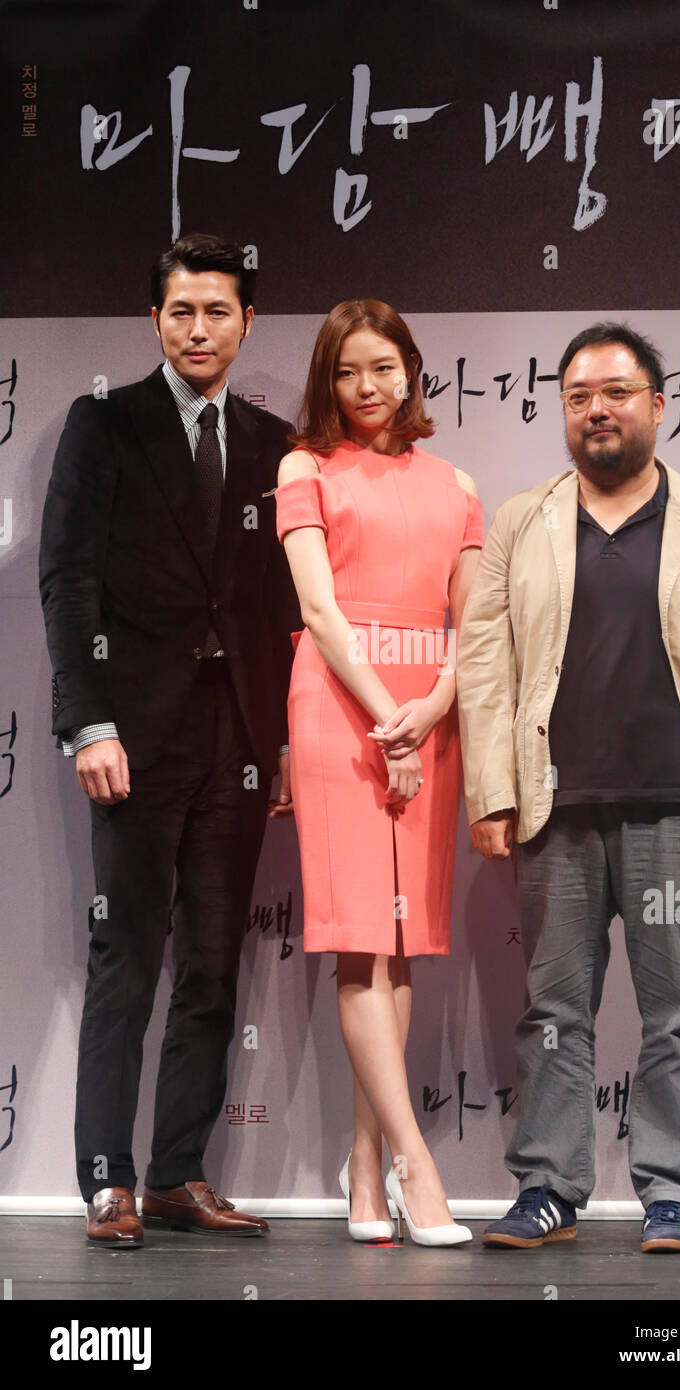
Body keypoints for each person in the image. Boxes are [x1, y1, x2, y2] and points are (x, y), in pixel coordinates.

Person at [457, 321, 680, 1254]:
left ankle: (672, 1190)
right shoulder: (522, 523)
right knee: (554, 1010)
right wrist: (490, 791)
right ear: (562, 412)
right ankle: (548, 1188)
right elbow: (485, 665)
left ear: (659, 402)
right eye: (577, 396)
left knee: (679, 1011)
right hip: (552, 812)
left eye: (615, 392)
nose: (595, 410)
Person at [39, 233, 301, 1248]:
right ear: (155, 321)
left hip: (234, 733)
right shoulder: (104, 425)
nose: (200, 329)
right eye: (182, 311)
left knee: (213, 962)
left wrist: (274, 741)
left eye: (218, 312)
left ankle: (178, 1174)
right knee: (126, 956)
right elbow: (69, 579)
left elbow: (277, 609)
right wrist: (87, 721)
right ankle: (106, 1179)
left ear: (246, 323)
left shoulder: (272, 442)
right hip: (133, 735)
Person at [274, 300, 482, 1246]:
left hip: (428, 718)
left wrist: (430, 712)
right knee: (363, 939)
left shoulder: (457, 484)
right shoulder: (304, 468)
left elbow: (473, 626)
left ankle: (363, 1169)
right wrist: (382, 719)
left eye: (386, 367)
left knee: (403, 945)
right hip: (337, 709)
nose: (370, 387)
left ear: (412, 371)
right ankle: (417, 1165)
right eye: (351, 371)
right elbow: (318, 609)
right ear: (331, 380)